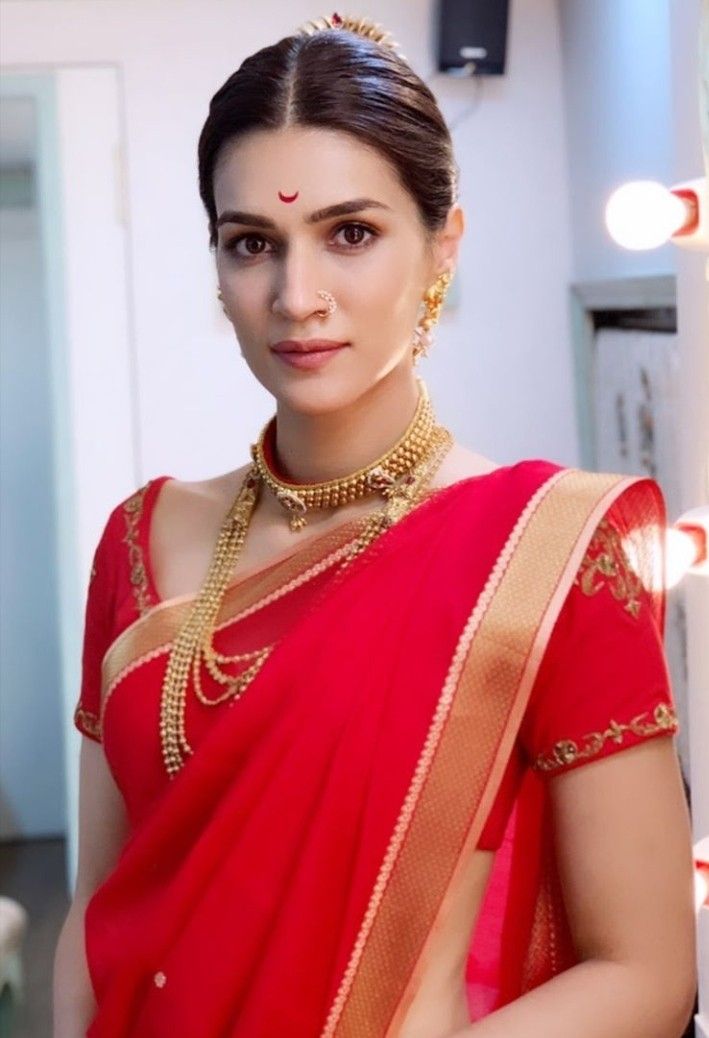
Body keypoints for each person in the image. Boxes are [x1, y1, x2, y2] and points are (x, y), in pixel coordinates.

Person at [53, 13, 696, 1038]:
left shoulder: (547, 555)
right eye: (251, 244)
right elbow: (100, 903)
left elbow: (646, 972)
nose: (295, 297)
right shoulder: (141, 540)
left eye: (349, 233)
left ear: (443, 241)